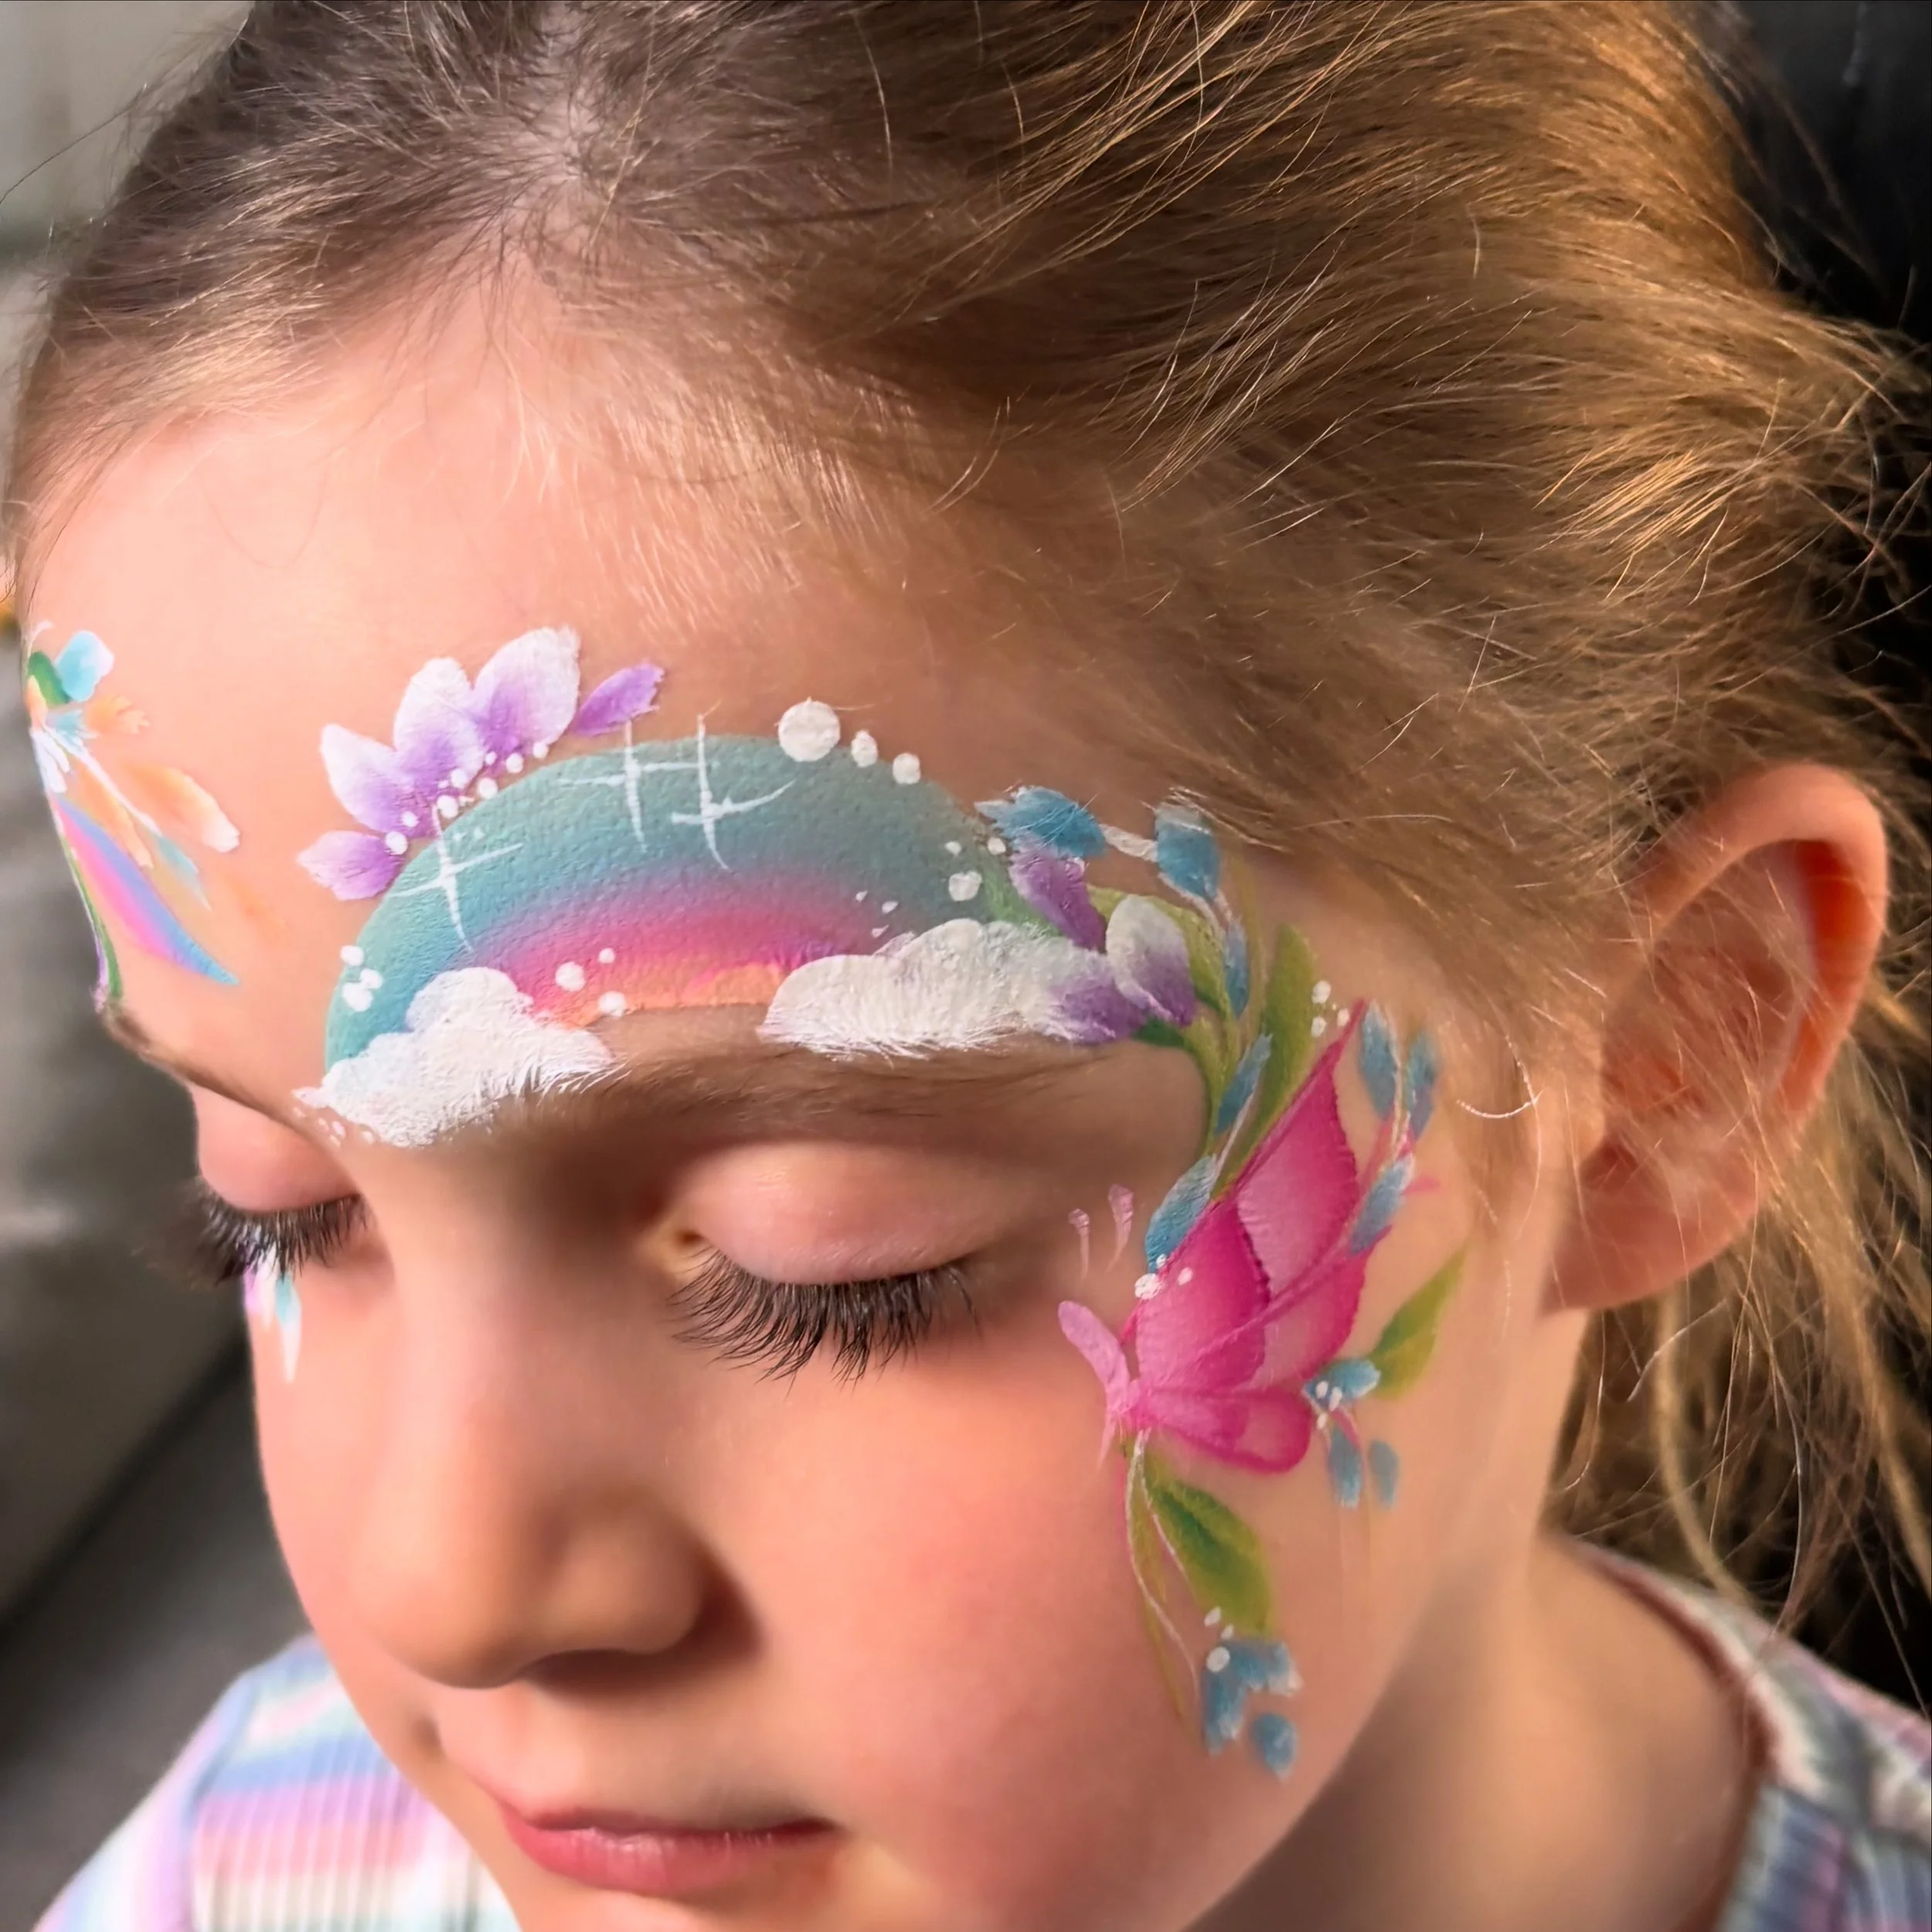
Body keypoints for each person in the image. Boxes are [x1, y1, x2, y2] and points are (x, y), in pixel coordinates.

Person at [7, 5, 1927, 1929]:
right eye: (274, 1213)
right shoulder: (263, 1862)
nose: (448, 1580)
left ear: (1666, 1062)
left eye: (829, 1269)